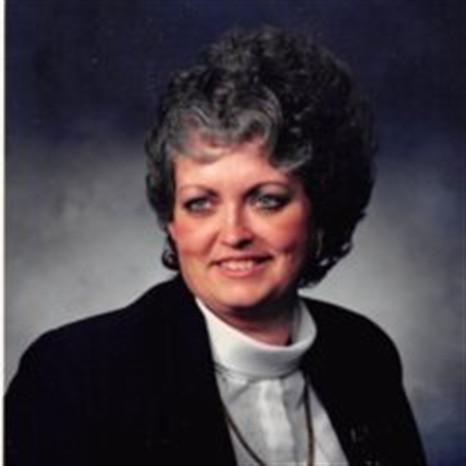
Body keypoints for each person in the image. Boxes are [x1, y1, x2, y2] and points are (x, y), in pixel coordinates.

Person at [5, 27, 427, 465]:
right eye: (200, 203)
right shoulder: (74, 375)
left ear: (321, 207)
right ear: (172, 222)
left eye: (266, 200)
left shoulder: (363, 353)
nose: (233, 233)